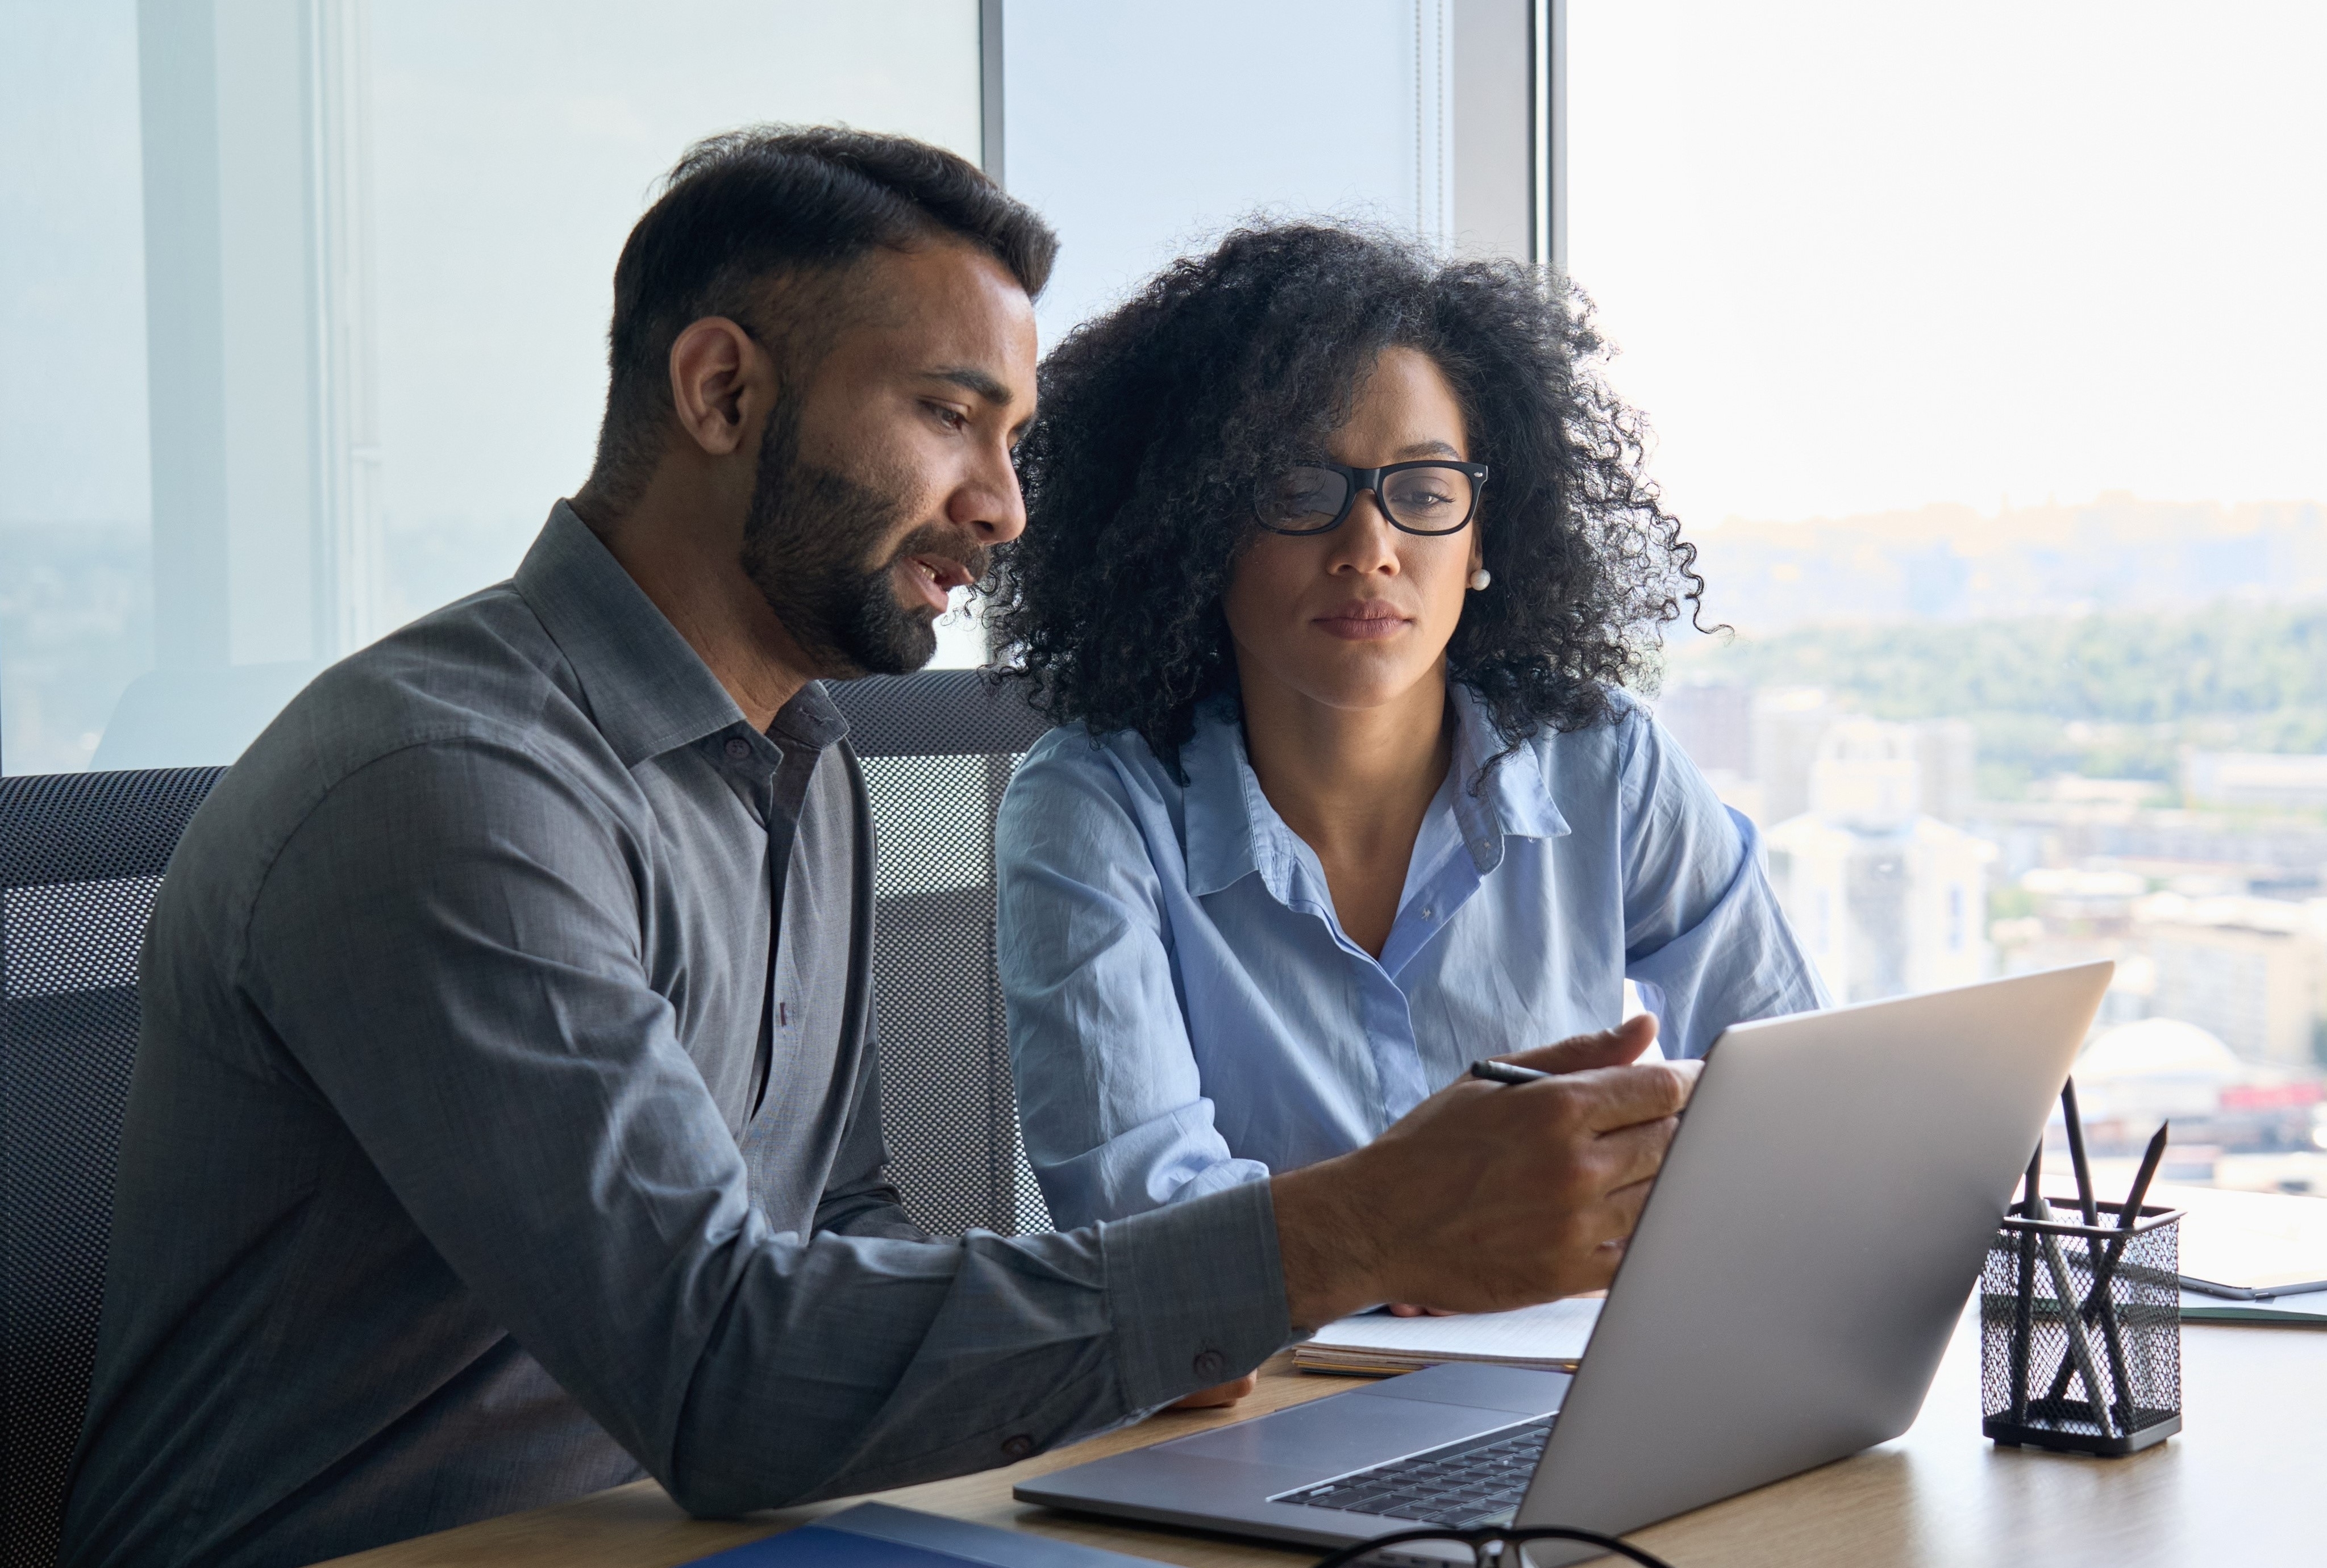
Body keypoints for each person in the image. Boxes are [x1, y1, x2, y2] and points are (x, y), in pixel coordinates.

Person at [61, 132, 1697, 1568]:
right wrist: (1341, 1235)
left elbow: (838, 1228)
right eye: (948, 417)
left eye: (1013, 436)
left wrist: (1161, 1317)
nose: (1005, 507)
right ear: (722, 393)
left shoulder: (802, 762)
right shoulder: (451, 788)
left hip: (708, 1533)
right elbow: (720, 1374)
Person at [987, 225, 1826, 1400]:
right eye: (1297, 490)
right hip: (1249, 1423)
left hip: (1576, 1388)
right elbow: (1153, 1246)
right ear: (1195, 528)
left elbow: (1790, 1096)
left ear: (1485, 536)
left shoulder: (1605, 766)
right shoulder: (1090, 810)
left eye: (1424, 492)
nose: (1368, 547)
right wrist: (1421, 1236)